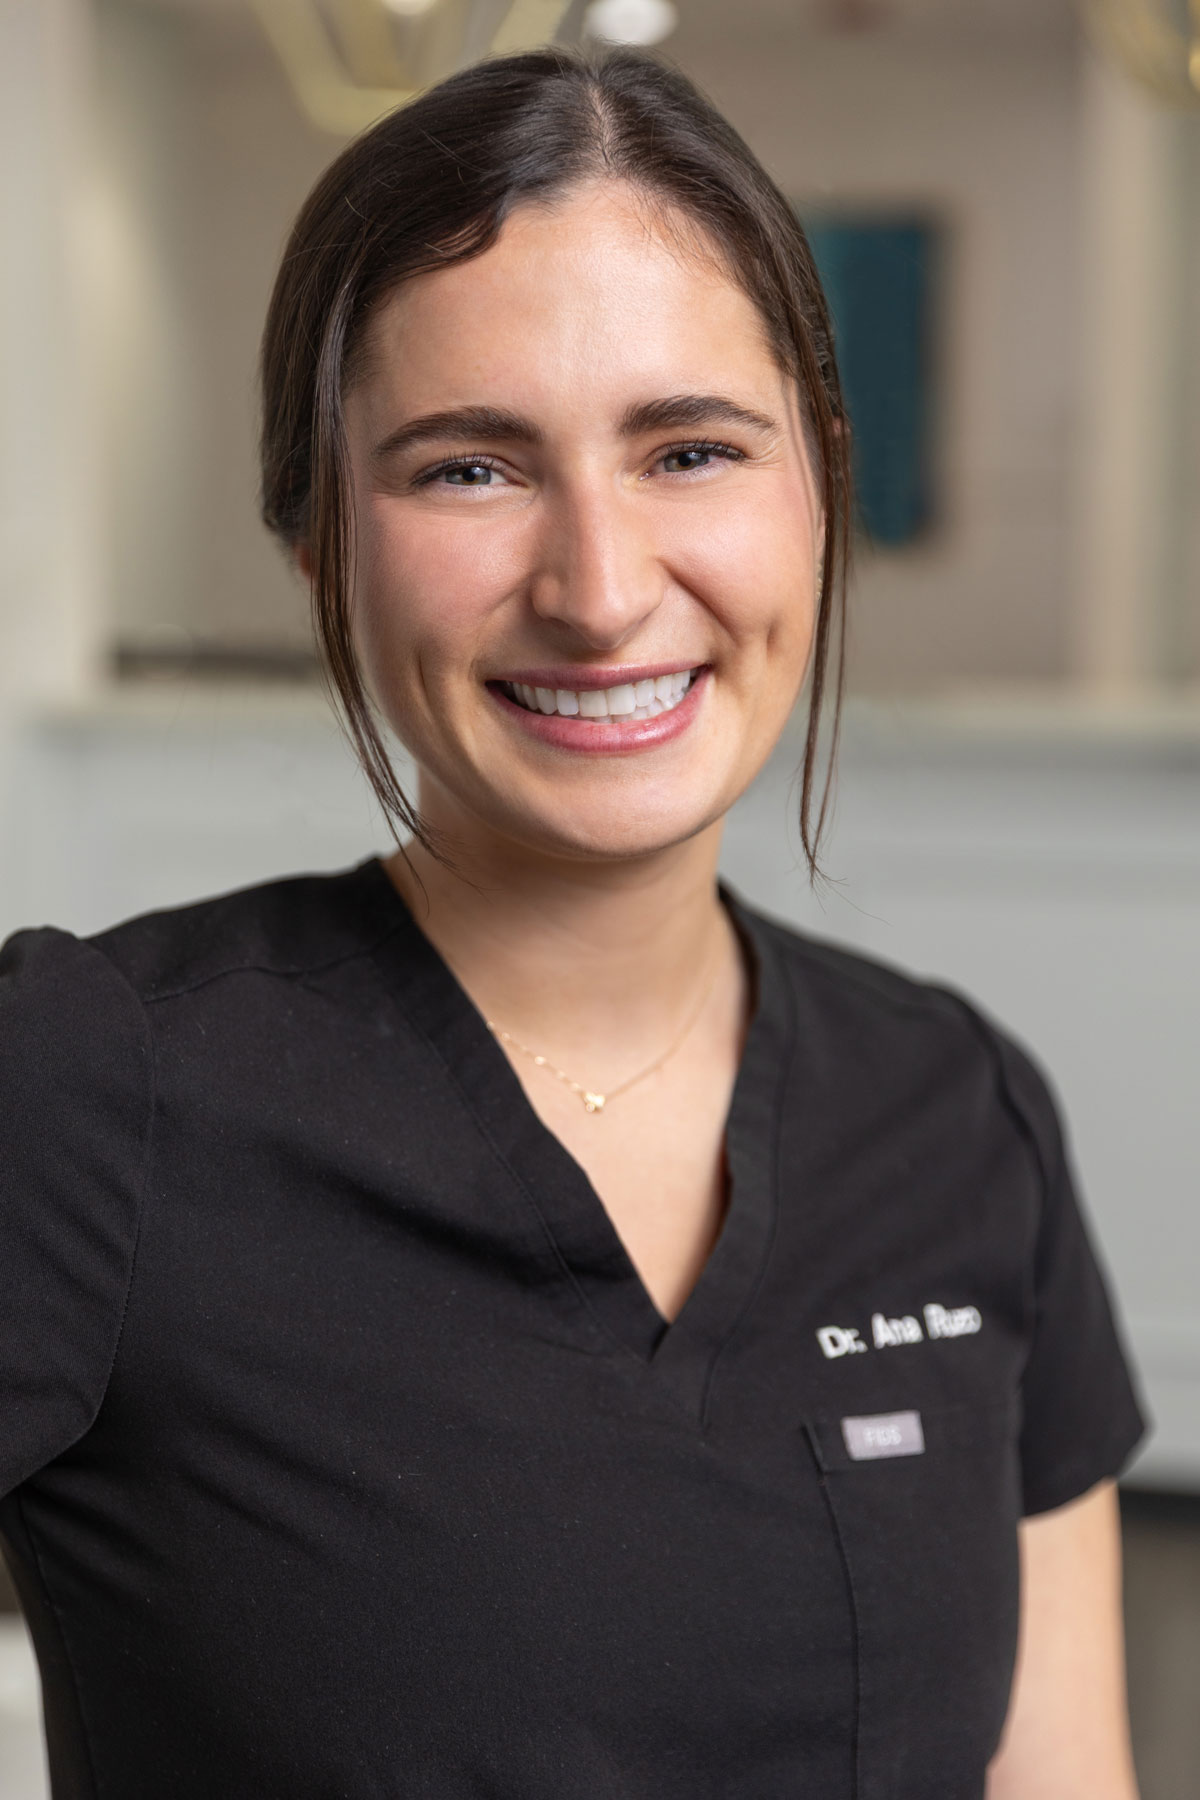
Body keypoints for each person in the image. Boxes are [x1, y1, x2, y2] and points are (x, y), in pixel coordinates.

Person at [0, 46, 1146, 1800]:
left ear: (818, 489)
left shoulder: (957, 1110)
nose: (600, 592)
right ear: (319, 541)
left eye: (690, 450)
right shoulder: (91, 1090)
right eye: (471, 469)